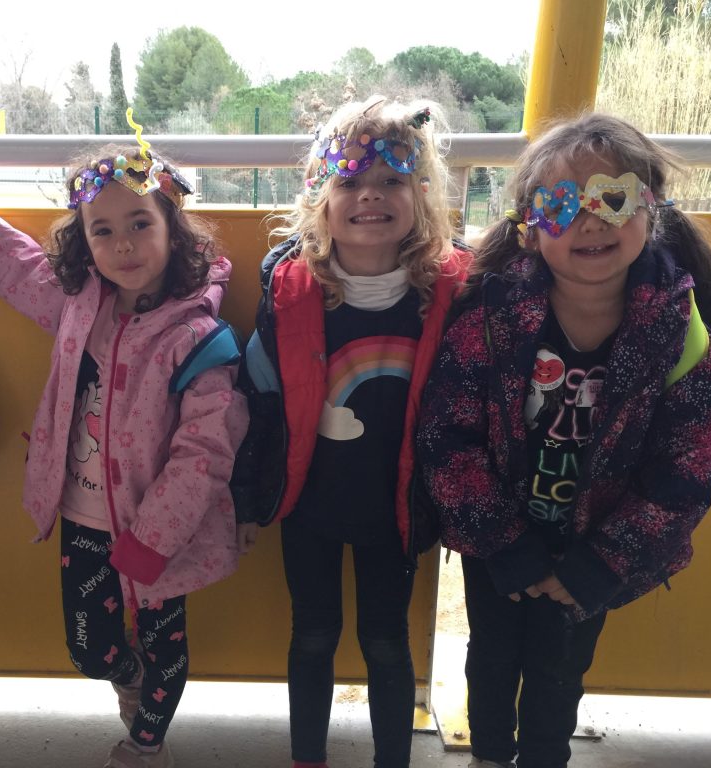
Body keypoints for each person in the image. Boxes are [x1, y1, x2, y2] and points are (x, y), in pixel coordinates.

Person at [0, 112, 249, 768]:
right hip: (82, 515)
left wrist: (154, 538)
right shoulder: (79, 305)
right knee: (88, 648)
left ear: (172, 228)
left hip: (161, 531)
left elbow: (206, 451)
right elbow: (16, 268)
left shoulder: (197, 336)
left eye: (140, 224)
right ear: (86, 240)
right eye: (104, 230)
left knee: (165, 641)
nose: (124, 245)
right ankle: (127, 676)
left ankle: (146, 744)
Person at [416, 113, 711, 768]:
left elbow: (688, 469)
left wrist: (603, 564)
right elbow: (447, 436)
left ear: (651, 210)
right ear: (529, 227)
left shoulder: (679, 329)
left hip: (595, 550)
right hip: (499, 545)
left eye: (614, 198)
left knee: (560, 674)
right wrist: (504, 544)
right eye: (561, 204)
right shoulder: (491, 314)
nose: (591, 221)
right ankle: (489, 753)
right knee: (491, 657)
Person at [230, 94, 470, 768]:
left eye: (392, 179)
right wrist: (246, 501)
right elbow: (256, 400)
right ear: (321, 200)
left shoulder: (450, 293)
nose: (371, 195)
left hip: (397, 511)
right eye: (350, 181)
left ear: (422, 195)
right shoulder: (288, 292)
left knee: (387, 642)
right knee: (312, 635)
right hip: (308, 505)